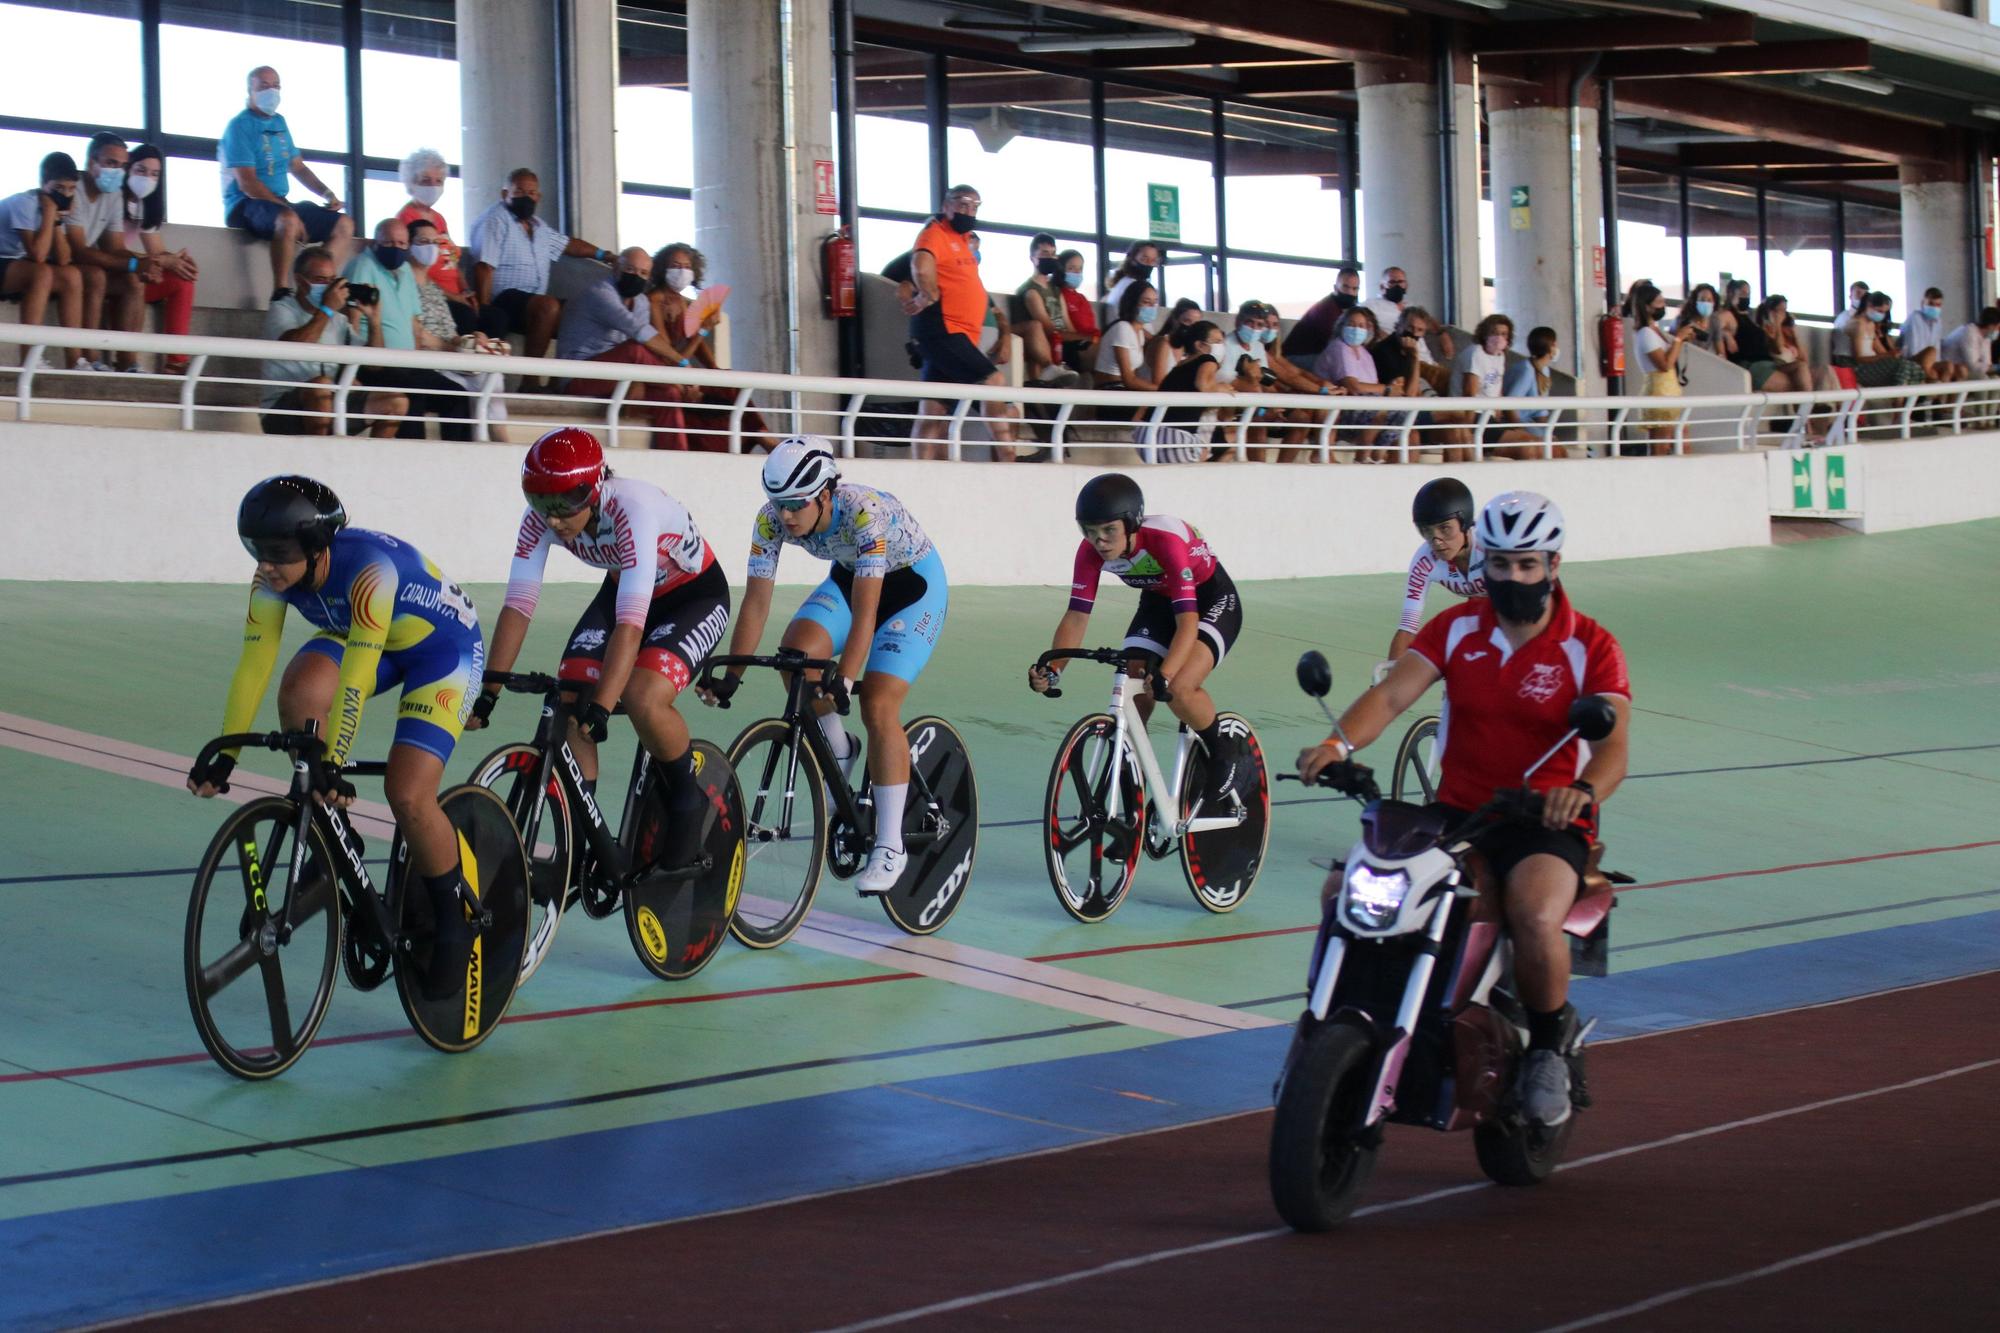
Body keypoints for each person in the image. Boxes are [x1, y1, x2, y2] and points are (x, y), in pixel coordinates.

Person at [1299, 491, 1630, 1127]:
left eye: (1526, 565)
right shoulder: (1456, 628)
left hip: (1545, 821)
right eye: (1500, 564)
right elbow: (1393, 693)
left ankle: (1549, 1046)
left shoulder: (1592, 645)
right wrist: (1337, 742)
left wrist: (1582, 792)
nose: (1511, 577)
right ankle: (1329, 1012)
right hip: (1458, 813)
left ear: (1553, 565)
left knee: (1533, 913)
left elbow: (1613, 746)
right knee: (1344, 887)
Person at [186, 476, 487, 1000]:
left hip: (443, 652)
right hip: (372, 636)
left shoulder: (371, 572)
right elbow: (254, 666)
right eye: (255, 550)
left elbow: (355, 675)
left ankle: (455, 921)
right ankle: (331, 835)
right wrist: (226, 752)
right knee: (299, 691)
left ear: (317, 548)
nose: (264, 565)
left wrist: (336, 763)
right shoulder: (271, 581)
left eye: (278, 552)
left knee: (408, 795)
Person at [702, 437, 949, 895]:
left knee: (877, 703)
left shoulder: (863, 513)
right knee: (795, 655)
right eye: (779, 505)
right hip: (849, 578)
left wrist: (847, 679)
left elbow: (868, 611)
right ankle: (840, 748)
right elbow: (756, 604)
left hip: (912, 590)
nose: (786, 516)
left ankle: (890, 844)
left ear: (826, 494)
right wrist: (731, 675)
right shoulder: (770, 520)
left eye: (797, 504)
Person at [472, 429, 728, 868]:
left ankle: (688, 801)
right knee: (570, 694)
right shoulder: (542, 517)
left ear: (591, 490)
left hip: (694, 598)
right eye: (539, 503)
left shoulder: (633, 509)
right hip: (623, 591)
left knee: (642, 697)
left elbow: (630, 626)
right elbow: (517, 605)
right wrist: (489, 689)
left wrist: (605, 706)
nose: (551, 519)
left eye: (560, 507)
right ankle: (582, 835)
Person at [1029, 473, 1248, 808]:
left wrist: (1166, 673)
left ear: (1131, 524)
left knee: (1180, 686)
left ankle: (1222, 751)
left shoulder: (1166, 540)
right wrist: (1054, 668)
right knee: (1133, 677)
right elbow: (1077, 615)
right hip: (1158, 601)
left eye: (1108, 530)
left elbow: (1187, 621)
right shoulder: (1089, 553)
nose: (1099, 541)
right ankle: (1133, 794)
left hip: (1209, 601)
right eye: (1089, 531)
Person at [904, 185, 1019, 461]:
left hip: (957, 333)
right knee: (993, 381)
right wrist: (926, 291)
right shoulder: (935, 234)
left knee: (934, 410)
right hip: (943, 330)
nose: (968, 212)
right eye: (962, 205)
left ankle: (921, 470)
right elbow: (920, 263)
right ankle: (1008, 459)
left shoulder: (963, 239)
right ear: (946, 207)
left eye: (974, 207)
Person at [220, 66, 353, 300]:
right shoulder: (239, 126)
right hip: (246, 204)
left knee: (344, 225)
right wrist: (287, 209)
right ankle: (281, 291)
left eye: (276, 85)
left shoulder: (280, 123)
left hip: (280, 202)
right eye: (263, 86)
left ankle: (318, 283)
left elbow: (298, 167)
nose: (271, 91)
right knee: (288, 220)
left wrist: (327, 193)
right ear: (250, 91)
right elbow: (248, 183)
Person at [341, 216, 480, 439]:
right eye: (388, 243)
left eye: (401, 244)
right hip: (375, 363)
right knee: (413, 394)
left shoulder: (405, 269)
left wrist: (426, 360)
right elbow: (351, 322)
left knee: (457, 395)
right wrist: (351, 370)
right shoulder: (362, 266)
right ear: (374, 243)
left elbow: (415, 327)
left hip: (407, 363)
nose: (395, 248)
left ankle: (456, 463)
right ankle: (413, 462)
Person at [464, 167, 615, 364]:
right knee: (548, 305)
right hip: (504, 300)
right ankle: (530, 379)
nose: (526, 197)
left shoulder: (539, 227)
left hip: (531, 301)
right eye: (518, 192)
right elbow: (484, 266)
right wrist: (485, 311)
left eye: (531, 193)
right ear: (504, 194)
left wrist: (605, 255)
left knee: (580, 309)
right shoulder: (496, 220)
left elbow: (569, 245)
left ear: (538, 197)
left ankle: (561, 380)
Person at [258, 246, 405, 436]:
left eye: (332, 281)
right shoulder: (282, 309)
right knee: (321, 386)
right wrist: (326, 309)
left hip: (333, 403)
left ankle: (374, 464)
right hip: (284, 409)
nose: (328, 287)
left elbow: (375, 365)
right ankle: (322, 461)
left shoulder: (339, 320)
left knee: (396, 401)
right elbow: (295, 345)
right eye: (320, 280)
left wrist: (374, 321)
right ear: (300, 281)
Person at [556, 245, 692, 450]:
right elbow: (637, 332)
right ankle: (684, 385)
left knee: (669, 395)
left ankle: (678, 459)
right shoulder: (600, 293)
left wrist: (638, 379)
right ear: (616, 269)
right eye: (630, 270)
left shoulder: (640, 302)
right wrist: (681, 364)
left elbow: (644, 342)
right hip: (578, 378)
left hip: (619, 377)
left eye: (643, 273)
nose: (636, 276)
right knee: (635, 351)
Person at [646, 241, 768, 452]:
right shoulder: (654, 300)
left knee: (730, 382)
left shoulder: (685, 302)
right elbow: (670, 357)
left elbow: (698, 347)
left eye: (686, 266)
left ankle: (761, 435)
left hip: (683, 370)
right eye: (675, 265)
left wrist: (715, 371)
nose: (681, 271)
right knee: (701, 394)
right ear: (663, 268)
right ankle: (754, 438)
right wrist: (703, 330)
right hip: (664, 371)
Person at [66, 133, 155, 358]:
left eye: (122, 166)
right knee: (97, 275)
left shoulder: (114, 194)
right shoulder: (71, 189)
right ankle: (89, 358)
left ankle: (128, 363)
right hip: (59, 262)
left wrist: (147, 264)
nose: (118, 171)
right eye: (110, 163)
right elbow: (78, 252)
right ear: (90, 163)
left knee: (133, 281)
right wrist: (135, 263)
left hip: (81, 265)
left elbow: (114, 248)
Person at [0, 151, 85, 369]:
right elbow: (37, 255)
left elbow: (65, 259)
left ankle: (75, 359)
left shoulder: (56, 208)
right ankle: (30, 358)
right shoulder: (25, 203)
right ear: (43, 184)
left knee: (71, 276)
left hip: (12, 264)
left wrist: (57, 221)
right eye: (58, 188)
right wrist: (49, 213)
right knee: (42, 272)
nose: (65, 195)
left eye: (71, 189)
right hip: (4, 259)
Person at [118, 145, 198, 373]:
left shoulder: (145, 205)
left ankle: (176, 360)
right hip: (110, 274)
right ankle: (126, 360)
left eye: (154, 174)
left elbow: (156, 252)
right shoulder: (112, 198)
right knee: (142, 276)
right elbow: (110, 252)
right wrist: (162, 261)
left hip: (130, 272)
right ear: (128, 168)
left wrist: (177, 261)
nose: (147, 178)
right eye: (141, 170)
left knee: (183, 280)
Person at [395, 146, 491, 337]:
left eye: (438, 181)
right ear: (411, 183)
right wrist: (454, 297)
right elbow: (414, 270)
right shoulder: (405, 219)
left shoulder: (439, 219)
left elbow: (452, 261)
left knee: (495, 316)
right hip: (431, 296)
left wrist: (466, 291)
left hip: (456, 293)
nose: (433, 186)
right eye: (426, 180)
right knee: (465, 316)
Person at [1389, 477, 1484, 662]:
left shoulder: (1490, 547)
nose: (1437, 541)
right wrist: (1385, 686)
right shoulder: (1424, 561)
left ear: (1464, 523)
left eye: (1445, 529)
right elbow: (1407, 630)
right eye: (1427, 531)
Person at [1141, 319, 1236, 463]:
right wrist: (1221, 388)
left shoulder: (1180, 365)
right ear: (1200, 345)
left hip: (1147, 436)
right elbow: (1203, 385)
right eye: (1217, 342)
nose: (1221, 346)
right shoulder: (1207, 358)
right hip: (1175, 439)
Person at [1456, 314, 1539, 460]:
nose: (1499, 338)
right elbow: (1469, 395)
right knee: (1528, 446)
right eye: (1494, 333)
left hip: (1490, 418)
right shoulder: (1475, 353)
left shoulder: (1500, 356)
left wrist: (1511, 423)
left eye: (1503, 334)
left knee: (1542, 445)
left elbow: (1497, 392)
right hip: (1474, 418)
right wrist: (1467, 434)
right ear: (1485, 334)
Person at [1313, 304, 1389, 462]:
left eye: (1361, 326)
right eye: (1351, 324)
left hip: (1362, 408)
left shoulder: (1366, 354)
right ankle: (1362, 458)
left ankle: (1378, 456)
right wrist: (1387, 389)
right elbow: (1352, 386)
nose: (1356, 329)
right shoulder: (1338, 347)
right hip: (1341, 410)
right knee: (1382, 411)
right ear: (1342, 326)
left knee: (1398, 413)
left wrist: (1389, 390)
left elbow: (1373, 388)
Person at [1008, 233, 1080, 385]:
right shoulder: (1030, 291)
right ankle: (1051, 369)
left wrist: (1080, 338)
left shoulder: (1055, 289)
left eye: (1053, 254)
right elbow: (1047, 327)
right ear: (1033, 258)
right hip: (1048, 339)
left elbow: (1067, 323)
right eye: (1044, 254)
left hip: (1062, 338)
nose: (1050, 258)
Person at [1631, 282, 1689, 456]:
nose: (1663, 305)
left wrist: (1681, 340)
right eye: (1659, 302)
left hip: (1669, 391)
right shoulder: (1645, 334)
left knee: (1679, 441)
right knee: (1660, 446)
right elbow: (1664, 364)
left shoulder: (1654, 330)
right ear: (1647, 307)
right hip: (1659, 391)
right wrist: (1678, 339)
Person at [1500, 325, 1559, 459]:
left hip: (1530, 422)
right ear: (1550, 347)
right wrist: (1520, 431)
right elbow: (1510, 405)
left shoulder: (1545, 371)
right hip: (1518, 423)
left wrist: (1548, 432)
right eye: (1555, 344)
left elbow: (1541, 412)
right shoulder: (1526, 370)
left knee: (1555, 446)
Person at [1093, 279, 1163, 391]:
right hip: (1110, 390)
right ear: (1133, 303)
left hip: (1124, 389)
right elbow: (1129, 380)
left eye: (1154, 303)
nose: (1152, 307)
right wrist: (1162, 390)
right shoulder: (1123, 328)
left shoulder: (1140, 333)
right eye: (1146, 302)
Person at [1282, 265, 1361, 362]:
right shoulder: (1326, 309)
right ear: (1335, 288)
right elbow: (1336, 344)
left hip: (1315, 354)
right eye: (1345, 287)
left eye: (1355, 289)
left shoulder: (1344, 308)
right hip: (1296, 357)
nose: (1350, 292)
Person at [1849, 291, 1923, 388]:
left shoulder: (1871, 325)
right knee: (1904, 366)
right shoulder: (1858, 324)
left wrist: (1892, 354)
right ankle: (1899, 400)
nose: (1882, 315)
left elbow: (1880, 350)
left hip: (1873, 363)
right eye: (1880, 311)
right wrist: (1886, 355)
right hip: (1861, 367)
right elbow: (1859, 358)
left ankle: (1913, 399)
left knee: (1914, 367)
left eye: (1884, 312)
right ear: (1869, 305)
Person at [1100, 241, 1162, 330]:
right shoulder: (1132, 286)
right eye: (1144, 259)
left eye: (1153, 261)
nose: (1149, 264)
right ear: (1132, 259)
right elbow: (1135, 325)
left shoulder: (1124, 282)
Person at [1900, 287, 1951, 382]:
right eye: (1931, 304)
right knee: (1931, 352)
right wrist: (1928, 364)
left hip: (1930, 359)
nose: (1935, 308)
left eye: (1938, 305)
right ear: (1923, 303)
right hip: (1912, 359)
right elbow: (1912, 347)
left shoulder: (1938, 321)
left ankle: (1942, 395)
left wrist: (1935, 363)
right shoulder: (1915, 318)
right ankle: (1930, 388)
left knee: (1948, 366)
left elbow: (1937, 346)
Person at [1940, 305, 2000, 380]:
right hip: (1954, 370)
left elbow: (1987, 363)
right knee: (1982, 379)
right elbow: (1972, 365)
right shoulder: (1969, 333)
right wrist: (1996, 367)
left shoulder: (1986, 338)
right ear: (1991, 326)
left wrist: (1994, 368)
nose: (1998, 331)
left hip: (1967, 369)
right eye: (1998, 327)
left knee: (1996, 379)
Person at [1829, 280, 1870, 367]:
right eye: (1858, 293)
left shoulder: (1866, 319)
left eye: (1865, 295)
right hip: (1848, 359)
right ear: (1850, 296)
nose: (1861, 297)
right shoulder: (1845, 318)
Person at [1362, 266, 1410, 335]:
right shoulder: (1371, 305)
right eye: (1392, 282)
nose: (1397, 286)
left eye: (1400, 282)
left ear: (1406, 285)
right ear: (1382, 286)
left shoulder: (1410, 307)